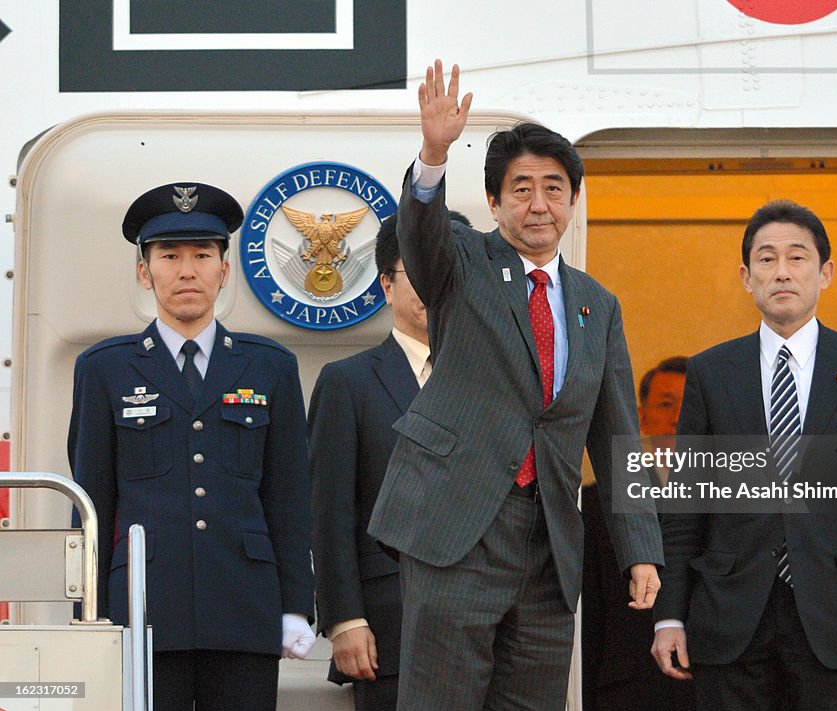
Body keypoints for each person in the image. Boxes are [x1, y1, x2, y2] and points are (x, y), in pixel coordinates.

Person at [366, 59, 664, 711]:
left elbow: (618, 438)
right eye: (521, 188)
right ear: (495, 202)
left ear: (573, 201)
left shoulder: (597, 304)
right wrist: (433, 156)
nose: (539, 203)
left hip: (548, 544)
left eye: (554, 188)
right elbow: (420, 231)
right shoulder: (463, 262)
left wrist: (641, 548)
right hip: (457, 531)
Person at [651, 199, 837, 711]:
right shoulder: (711, 371)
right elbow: (685, 507)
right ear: (747, 277)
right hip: (729, 609)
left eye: (798, 258)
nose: (782, 272)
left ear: (826, 273)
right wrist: (670, 616)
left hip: (835, 610)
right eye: (767, 259)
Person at [68, 182, 316, 711]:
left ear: (224, 270)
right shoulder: (105, 369)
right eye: (170, 256)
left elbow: (290, 498)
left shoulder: (270, 366)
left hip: (246, 607)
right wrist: (88, 612)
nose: (187, 271)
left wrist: (297, 605)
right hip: (142, 610)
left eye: (203, 255)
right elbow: (90, 503)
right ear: (144, 271)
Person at [309, 211, 469, 711]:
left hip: (487, 625)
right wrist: (344, 620)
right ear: (385, 284)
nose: (429, 285)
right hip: (388, 624)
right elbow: (329, 511)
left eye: (444, 271)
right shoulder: (348, 383)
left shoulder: (495, 382)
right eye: (413, 271)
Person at [582, 356, 696, 711]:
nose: (677, 417)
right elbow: (589, 615)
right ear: (641, 415)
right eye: (665, 405)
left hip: (711, 684)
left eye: (688, 406)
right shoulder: (599, 501)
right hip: (628, 687)